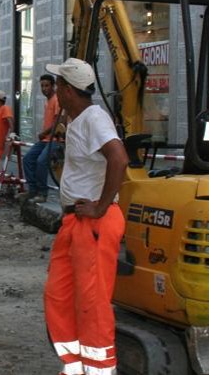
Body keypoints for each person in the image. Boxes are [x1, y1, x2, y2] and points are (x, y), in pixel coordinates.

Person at [42, 58, 127, 375]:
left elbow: (119, 157)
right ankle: (76, 367)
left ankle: (99, 370)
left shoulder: (94, 118)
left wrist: (101, 206)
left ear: (66, 89)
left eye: (57, 85)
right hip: (77, 222)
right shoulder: (81, 119)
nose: (54, 91)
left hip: (94, 222)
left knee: (92, 303)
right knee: (60, 295)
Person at [22, 74, 60, 203]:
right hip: (45, 140)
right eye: (42, 86)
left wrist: (44, 133)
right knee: (27, 159)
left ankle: (43, 193)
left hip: (55, 139)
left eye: (47, 85)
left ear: (53, 86)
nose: (44, 88)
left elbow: (58, 122)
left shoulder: (56, 100)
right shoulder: (48, 101)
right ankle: (33, 190)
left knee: (41, 161)